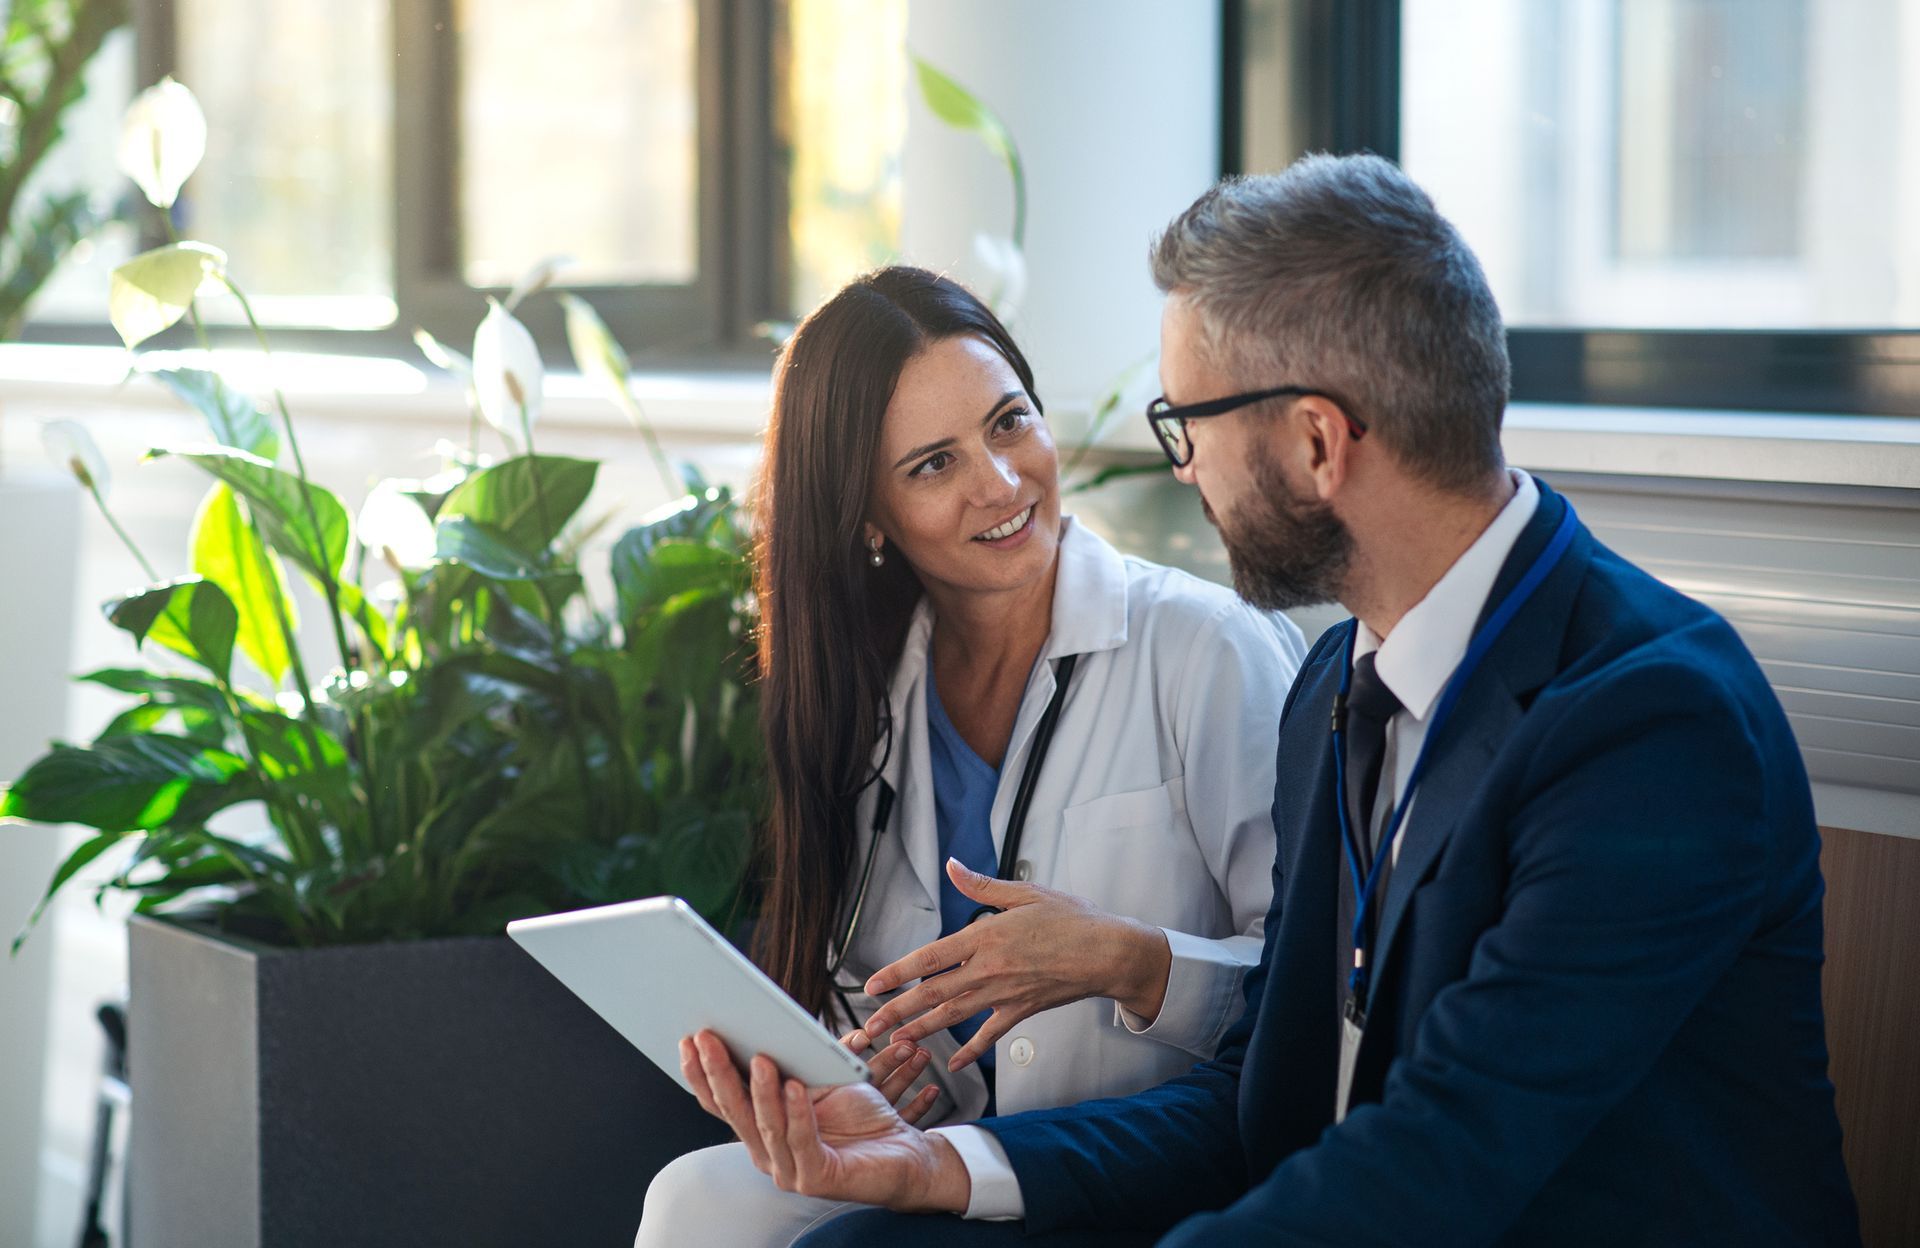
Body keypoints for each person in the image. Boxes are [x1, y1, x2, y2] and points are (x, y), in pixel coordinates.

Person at [683, 156, 1862, 1246]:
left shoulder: (1648, 724)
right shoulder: (1338, 689)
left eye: (1187, 424)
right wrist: (950, 1167)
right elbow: (1255, 1103)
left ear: (1313, 444)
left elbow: (1444, 1158)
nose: (1179, 468)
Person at [636, 266, 1306, 1247]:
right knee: (693, 1202)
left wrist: (1129, 962)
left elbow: (1313, 992)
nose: (1000, 482)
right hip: (948, 1149)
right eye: (932, 465)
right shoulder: (869, 691)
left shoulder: (1204, 648)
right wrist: (883, 1058)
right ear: (867, 517)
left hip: (1142, 1162)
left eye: (1008, 422)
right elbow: (868, 980)